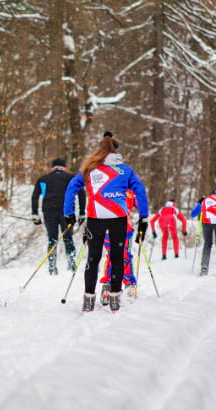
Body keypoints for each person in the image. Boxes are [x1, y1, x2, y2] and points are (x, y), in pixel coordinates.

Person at [64, 133, 148, 313]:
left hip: (96, 219)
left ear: (99, 151)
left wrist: (68, 213)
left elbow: (72, 187)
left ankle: (88, 299)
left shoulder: (90, 168)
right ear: (116, 151)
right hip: (118, 219)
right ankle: (115, 298)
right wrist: (144, 217)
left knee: (93, 259)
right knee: (117, 257)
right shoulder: (126, 170)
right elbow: (140, 191)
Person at [31, 158, 85, 275]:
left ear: (52, 167)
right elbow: (82, 194)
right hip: (67, 212)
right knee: (68, 237)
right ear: (64, 167)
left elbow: (35, 197)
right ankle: (71, 265)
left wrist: (35, 214)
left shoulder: (43, 179)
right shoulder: (72, 178)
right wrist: (82, 213)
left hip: (49, 211)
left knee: (52, 238)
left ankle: (52, 267)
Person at [99, 190, 138, 305]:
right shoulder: (130, 192)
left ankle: (109, 285)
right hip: (122, 229)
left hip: (111, 229)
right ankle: (127, 284)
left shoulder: (104, 188)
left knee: (113, 256)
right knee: (124, 256)